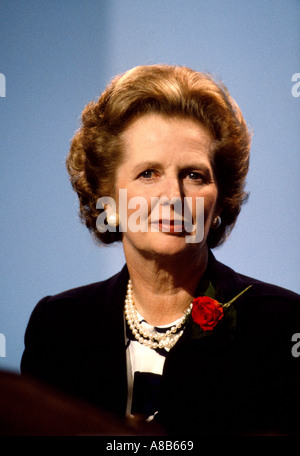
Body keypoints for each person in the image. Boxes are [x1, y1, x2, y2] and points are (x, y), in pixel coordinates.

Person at [21, 64, 300, 436]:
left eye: (194, 175)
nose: (173, 197)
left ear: (218, 206)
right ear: (109, 201)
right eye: (148, 173)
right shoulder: (58, 327)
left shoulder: (281, 326)